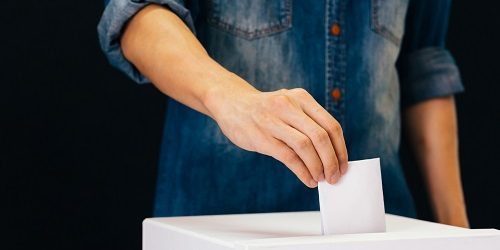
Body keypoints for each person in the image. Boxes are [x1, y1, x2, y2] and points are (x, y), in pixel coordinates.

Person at [98, 0, 469, 227]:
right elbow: (137, 13)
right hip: (220, 221)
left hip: (377, 228)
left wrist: (459, 233)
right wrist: (231, 97)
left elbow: (424, 64)